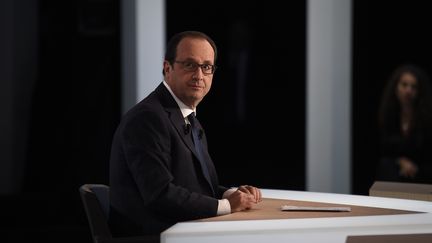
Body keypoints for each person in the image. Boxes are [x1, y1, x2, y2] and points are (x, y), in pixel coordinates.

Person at [108, 31, 262, 237]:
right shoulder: (147, 118)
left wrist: (231, 194)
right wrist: (226, 205)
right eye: (190, 65)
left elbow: (194, 187)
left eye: (207, 67)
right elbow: (160, 194)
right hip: (156, 236)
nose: (199, 75)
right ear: (167, 68)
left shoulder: (189, 118)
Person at [375, 64, 432, 184]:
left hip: (421, 171)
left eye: (413, 87)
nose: (408, 90)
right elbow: (384, 149)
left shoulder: (427, 118)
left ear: (419, 91)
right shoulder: (388, 114)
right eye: (404, 85)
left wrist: (412, 165)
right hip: (394, 169)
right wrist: (400, 161)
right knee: (386, 166)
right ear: (396, 87)